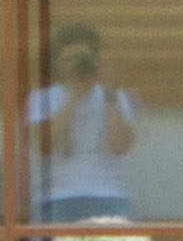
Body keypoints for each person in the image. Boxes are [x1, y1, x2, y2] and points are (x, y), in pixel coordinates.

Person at [27, 21, 146, 225]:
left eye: (83, 58)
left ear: (97, 58)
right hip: (56, 197)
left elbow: (121, 146)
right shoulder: (42, 98)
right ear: (58, 63)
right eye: (70, 59)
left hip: (108, 195)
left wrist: (109, 92)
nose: (77, 64)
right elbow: (42, 146)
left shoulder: (118, 97)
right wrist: (73, 97)